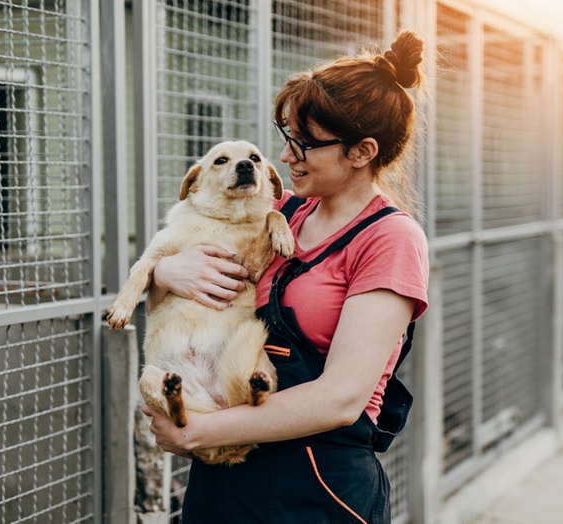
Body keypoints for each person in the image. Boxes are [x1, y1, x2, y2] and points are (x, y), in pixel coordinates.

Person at [141, 30, 430, 523]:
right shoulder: (281, 213)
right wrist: (165, 271)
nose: (286, 156)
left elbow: (341, 398)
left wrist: (197, 433)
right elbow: (172, 295)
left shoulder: (390, 240)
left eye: (305, 143)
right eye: (287, 137)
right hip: (226, 473)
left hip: (315, 482)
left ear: (361, 152)